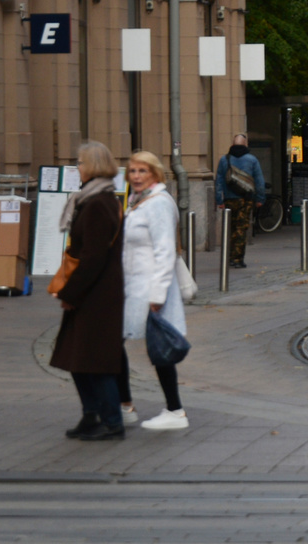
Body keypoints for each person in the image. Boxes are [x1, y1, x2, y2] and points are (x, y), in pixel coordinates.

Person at [51, 140, 127, 440]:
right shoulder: (94, 198)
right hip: (94, 293)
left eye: (80, 163)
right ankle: (91, 414)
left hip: (98, 295)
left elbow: (93, 257)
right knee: (78, 358)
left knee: (95, 360)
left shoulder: (98, 203)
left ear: (93, 166)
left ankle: (111, 420)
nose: (77, 169)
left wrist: (71, 294)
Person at [117, 150, 191, 430]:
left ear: (155, 174)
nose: (136, 176)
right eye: (132, 171)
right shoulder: (139, 201)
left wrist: (158, 295)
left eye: (142, 171)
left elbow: (165, 251)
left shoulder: (158, 203)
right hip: (134, 287)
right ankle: (126, 406)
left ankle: (174, 411)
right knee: (121, 344)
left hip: (150, 290)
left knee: (160, 348)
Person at [215, 134, 265, 270]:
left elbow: (218, 181)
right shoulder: (252, 160)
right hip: (245, 199)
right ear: (245, 144)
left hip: (229, 200)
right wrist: (260, 198)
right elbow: (259, 181)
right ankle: (237, 259)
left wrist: (219, 200)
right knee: (241, 229)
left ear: (232, 144)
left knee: (231, 228)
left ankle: (230, 257)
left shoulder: (224, 160)